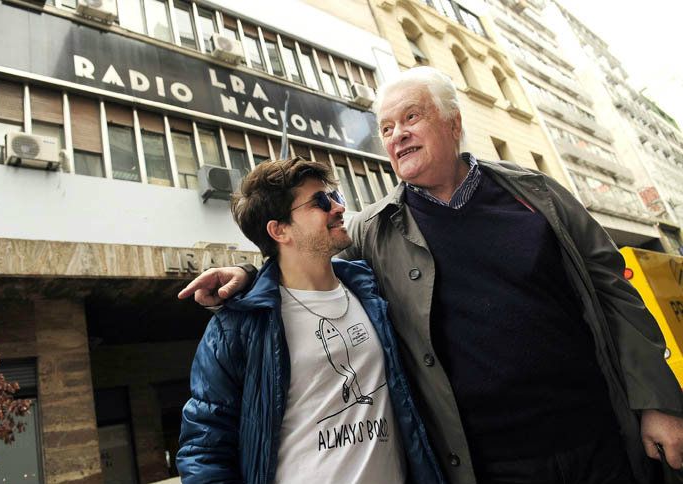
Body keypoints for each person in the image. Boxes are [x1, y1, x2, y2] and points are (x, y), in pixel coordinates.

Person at [178, 67, 683, 484]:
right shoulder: (376, 228)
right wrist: (246, 274)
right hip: (491, 466)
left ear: (453, 123)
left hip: (601, 435)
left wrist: (657, 402)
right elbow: (301, 248)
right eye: (387, 127)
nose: (397, 135)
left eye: (411, 117)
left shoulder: (540, 195)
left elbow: (615, 291)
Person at [176, 157, 443, 484]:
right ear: (279, 230)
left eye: (336, 197)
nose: (337, 207)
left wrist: (247, 272)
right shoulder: (237, 326)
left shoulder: (372, 289)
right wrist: (250, 277)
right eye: (320, 201)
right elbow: (204, 447)